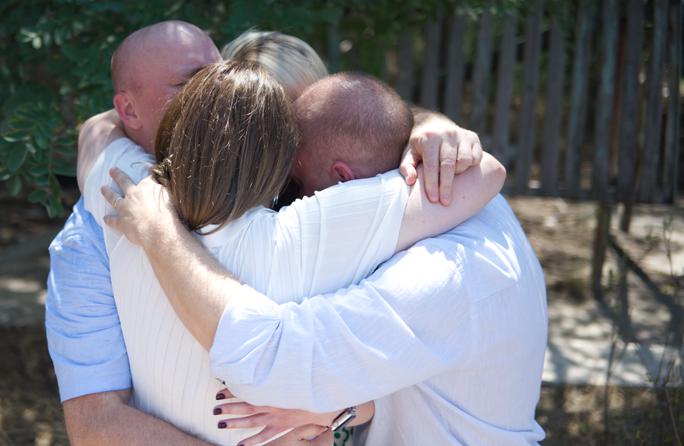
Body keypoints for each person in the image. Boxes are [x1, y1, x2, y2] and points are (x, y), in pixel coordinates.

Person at [46, 23, 489, 445]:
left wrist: (429, 128)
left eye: (300, 128)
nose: (285, 150)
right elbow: (96, 425)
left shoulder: (129, 194)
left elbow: (376, 367)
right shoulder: (101, 224)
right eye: (195, 83)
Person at [100, 90, 548, 445]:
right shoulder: (448, 194)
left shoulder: (440, 274)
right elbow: (430, 376)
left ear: (344, 182)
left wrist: (160, 232)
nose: (278, 200)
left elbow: (267, 362)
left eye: (291, 182)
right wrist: (344, 407)